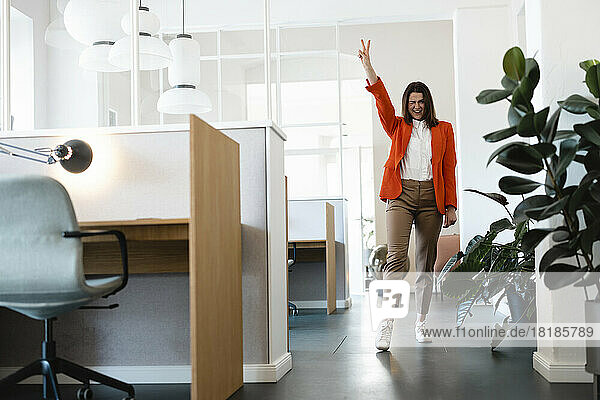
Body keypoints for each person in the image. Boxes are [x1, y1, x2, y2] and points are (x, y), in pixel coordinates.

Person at [358, 39, 458, 351]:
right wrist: (369, 68)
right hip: (399, 195)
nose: (417, 105)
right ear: (407, 103)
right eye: (412, 101)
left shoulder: (444, 130)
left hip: (431, 197)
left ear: (428, 103)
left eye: (421, 101)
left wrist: (451, 205)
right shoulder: (397, 126)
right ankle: (386, 324)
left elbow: (449, 168)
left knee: (425, 262)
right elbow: (382, 102)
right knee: (396, 259)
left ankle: (422, 321)